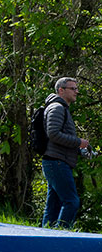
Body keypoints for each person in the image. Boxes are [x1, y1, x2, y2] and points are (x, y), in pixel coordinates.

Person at [41, 77, 89, 228]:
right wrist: (78, 142)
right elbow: (53, 133)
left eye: (76, 88)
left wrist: (78, 148)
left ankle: (44, 238)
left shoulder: (60, 108)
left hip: (56, 161)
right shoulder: (57, 108)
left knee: (53, 206)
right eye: (73, 88)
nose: (77, 91)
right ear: (61, 90)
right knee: (71, 201)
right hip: (57, 162)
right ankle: (61, 235)